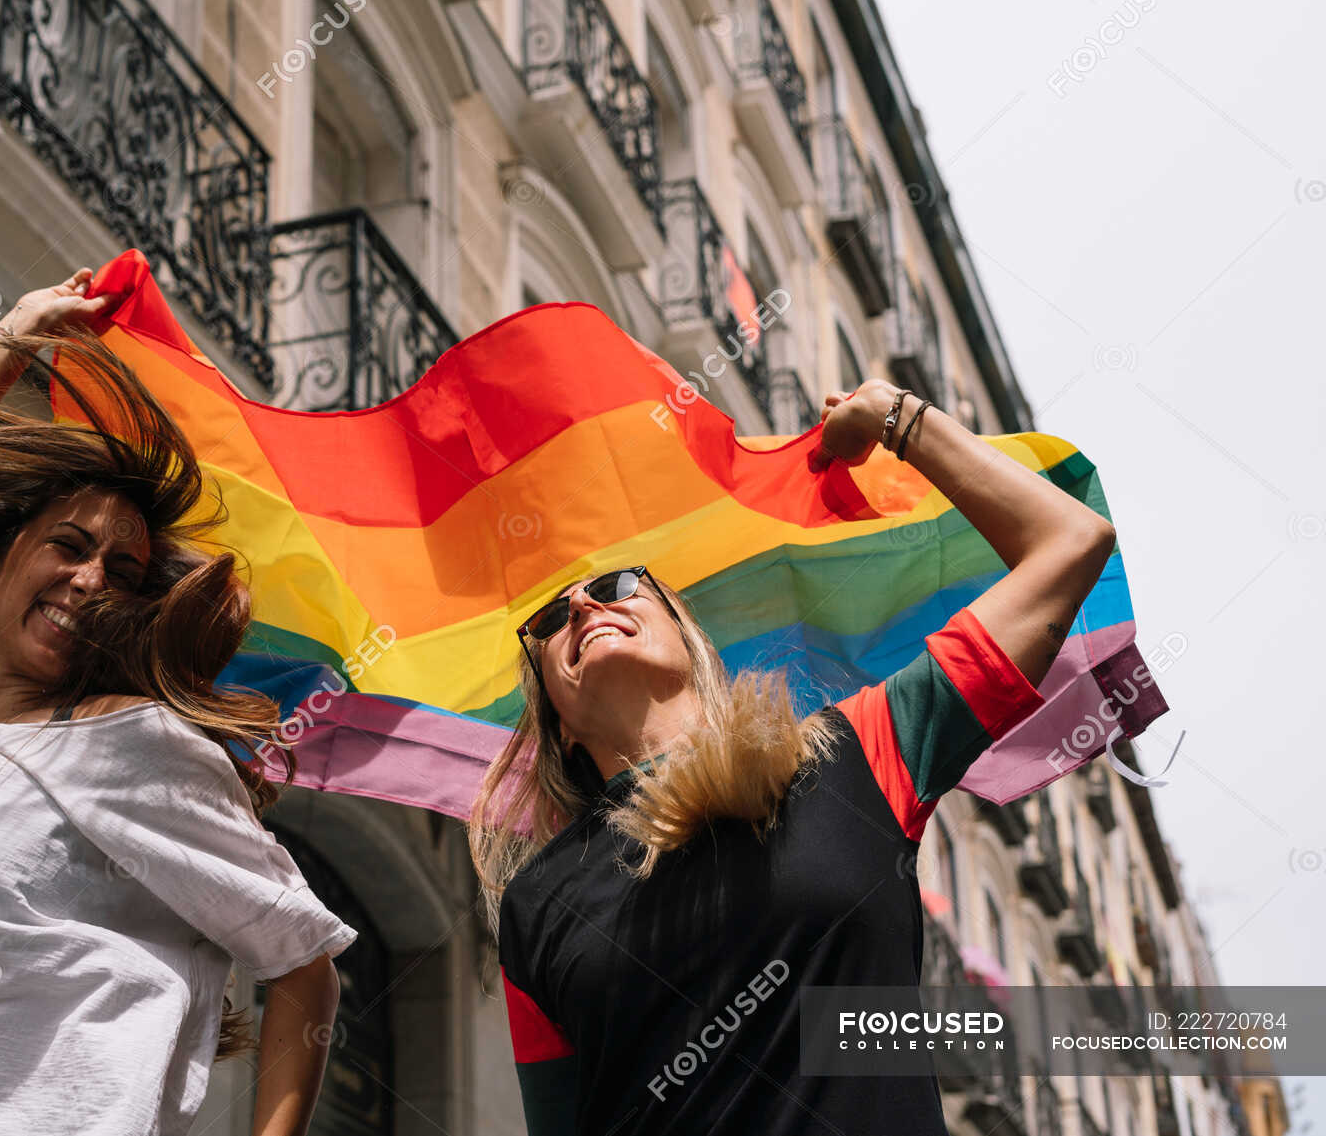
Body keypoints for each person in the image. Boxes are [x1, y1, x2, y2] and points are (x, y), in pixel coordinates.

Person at [0, 269, 355, 1136]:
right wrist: (16, 331)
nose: (90, 580)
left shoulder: (135, 746)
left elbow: (305, 965)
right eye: (68, 544)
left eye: (120, 572)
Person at [468, 380, 1116, 1135]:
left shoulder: (860, 750)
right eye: (550, 618)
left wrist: (891, 415)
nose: (582, 606)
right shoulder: (534, 904)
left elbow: (1072, 541)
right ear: (558, 721)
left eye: (615, 586)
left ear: (690, 637)